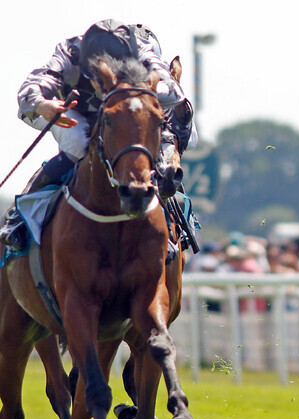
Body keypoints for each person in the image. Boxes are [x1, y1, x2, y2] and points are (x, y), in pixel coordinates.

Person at [0, 19, 196, 250]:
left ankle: (176, 219)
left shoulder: (142, 49)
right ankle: (17, 218)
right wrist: (41, 103)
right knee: (80, 143)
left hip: (127, 109)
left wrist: (134, 91)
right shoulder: (70, 50)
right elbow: (30, 87)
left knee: (161, 140)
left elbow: (174, 92)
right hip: (71, 110)